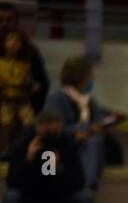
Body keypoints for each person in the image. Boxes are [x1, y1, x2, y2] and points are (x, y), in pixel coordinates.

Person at [1, 111, 93, 203]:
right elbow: (12, 181)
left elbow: (78, 181)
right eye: (45, 129)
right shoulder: (24, 145)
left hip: (60, 197)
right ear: (37, 128)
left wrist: (57, 169)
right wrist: (28, 160)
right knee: (10, 197)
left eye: (53, 130)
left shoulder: (67, 145)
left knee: (85, 197)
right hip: (31, 198)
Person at [42, 55, 121, 191]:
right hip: (66, 142)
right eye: (89, 77)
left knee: (97, 140)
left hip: (87, 140)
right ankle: (87, 184)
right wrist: (79, 130)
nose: (92, 80)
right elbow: (51, 127)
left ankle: (89, 183)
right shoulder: (56, 99)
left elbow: (99, 118)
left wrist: (112, 119)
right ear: (79, 77)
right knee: (93, 141)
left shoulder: (88, 101)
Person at [0, 3, 47, 112]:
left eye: (9, 20)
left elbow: (42, 84)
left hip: (21, 108)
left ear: (16, 22)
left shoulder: (29, 51)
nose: (4, 24)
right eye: (0, 20)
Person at [0, 28, 39, 151]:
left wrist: (32, 86)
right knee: (6, 126)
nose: (14, 43)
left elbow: (29, 82)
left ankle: (23, 151)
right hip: (5, 100)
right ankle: (4, 153)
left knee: (28, 126)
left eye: (17, 41)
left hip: (23, 100)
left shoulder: (25, 65)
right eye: (10, 39)